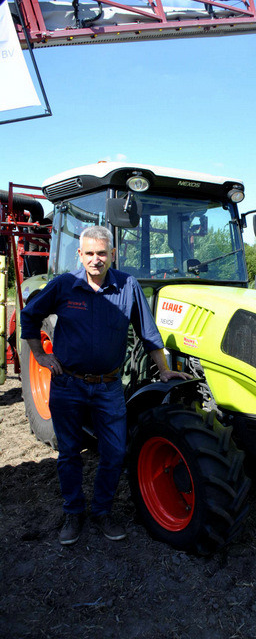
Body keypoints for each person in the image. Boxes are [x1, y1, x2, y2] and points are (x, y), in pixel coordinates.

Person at [21, 226, 191, 546]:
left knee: (114, 453)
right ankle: (73, 513)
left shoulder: (127, 285)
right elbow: (29, 317)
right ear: (80, 255)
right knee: (69, 453)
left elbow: (148, 332)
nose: (95, 259)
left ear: (112, 254)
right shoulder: (63, 285)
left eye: (101, 253)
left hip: (108, 387)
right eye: (89, 253)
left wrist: (164, 370)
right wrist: (40, 355)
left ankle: (102, 512)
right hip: (68, 384)